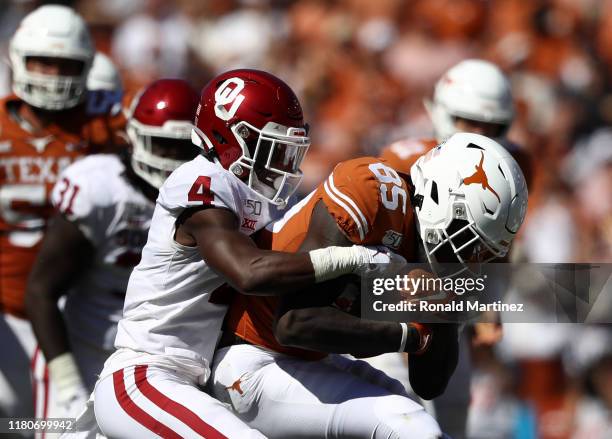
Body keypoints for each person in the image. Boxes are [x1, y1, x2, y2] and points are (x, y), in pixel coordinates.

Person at [91, 68, 400, 438]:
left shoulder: (259, 196)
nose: (285, 166)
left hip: (205, 375)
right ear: (231, 138)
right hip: (150, 370)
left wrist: (425, 306)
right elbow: (250, 273)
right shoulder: (202, 182)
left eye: (290, 152)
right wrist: (351, 258)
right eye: (275, 149)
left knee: (396, 400)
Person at [210, 132, 528, 439]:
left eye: (483, 251)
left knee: (416, 414)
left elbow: (429, 383)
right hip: (251, 356)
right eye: (468, 239)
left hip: (311, 362)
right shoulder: (370, 194)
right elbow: (294, 323)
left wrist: (440, 313)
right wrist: (413, 336)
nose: (469, 257)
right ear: (438, 200)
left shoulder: (445, 257)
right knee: (410, 426)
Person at [25, 79, 201, 421]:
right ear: (132, 136)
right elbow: (41, 291)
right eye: (162, 145)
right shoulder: (99, 189)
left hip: (160, 357)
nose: (171, 160)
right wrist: (68, 383)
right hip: (82, 346)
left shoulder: (210, 197)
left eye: (184, 149)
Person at [378, 58, 532, 438]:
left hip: (452, 312)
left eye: (492, 125)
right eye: (470, 121)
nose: (481, 133)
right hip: (395, 312)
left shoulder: (515, 166)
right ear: (443, 114)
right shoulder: (403, 160)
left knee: (452, 419)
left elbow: (499, 245)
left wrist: (488, 302)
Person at [0, 5, 120, 422]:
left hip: (79, 309)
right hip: (9, 309)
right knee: (15, 415)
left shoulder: (102, 125)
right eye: (43, 62)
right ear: (18, 59)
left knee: (75, 422)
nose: (52, 74)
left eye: (64, 64)